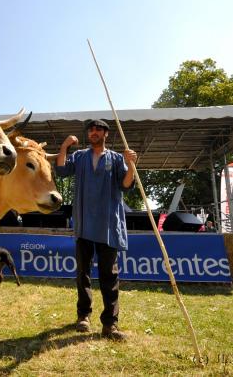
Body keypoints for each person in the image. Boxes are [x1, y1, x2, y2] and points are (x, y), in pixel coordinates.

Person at [55, 119, 136, 341]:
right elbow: (61, 170)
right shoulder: (79, 156)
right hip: (83, 223)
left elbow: (126, 185)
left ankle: (110, 324)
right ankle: (83, 316)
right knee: (83, 273)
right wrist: (64, 147)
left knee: (109, 276)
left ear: (106, 134)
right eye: (91, 129)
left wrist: (132, 164)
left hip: (108, 225)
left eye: (98, 129)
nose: (94, 132)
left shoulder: (118, 158)